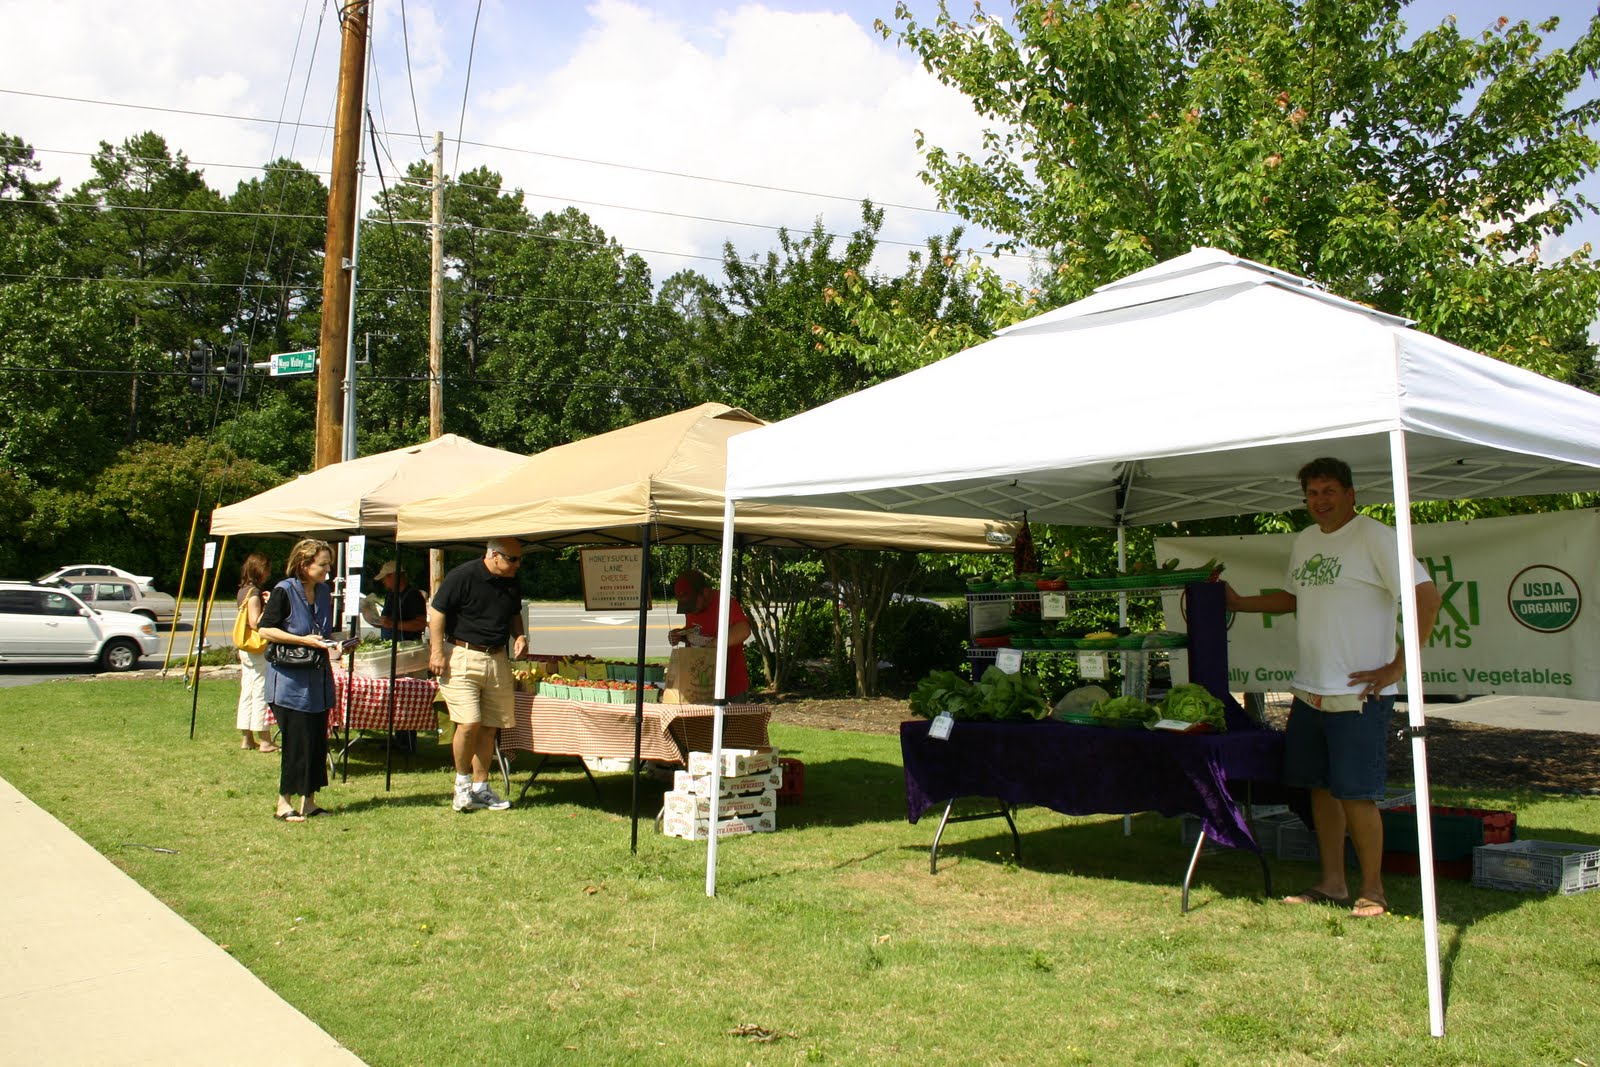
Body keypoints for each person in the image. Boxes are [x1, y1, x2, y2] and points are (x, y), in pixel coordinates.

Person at [1226, 457, 1441, 919]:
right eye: (1312, 493)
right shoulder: (1305, 540)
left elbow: (1427, 596)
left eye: (1328, 491)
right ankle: (1333, 883)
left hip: (1360, 696)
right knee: (1320, 790)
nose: (1320, 501)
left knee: (1355, 794)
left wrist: (1397, 666)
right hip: (1310, 691)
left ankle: (1374, 891)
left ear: (1350, 494)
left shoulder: (1376, 538)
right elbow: (1294, 598)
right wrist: (1240, 603)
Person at [428, 538, 527, 812]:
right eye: (512, 559)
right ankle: (461, 784)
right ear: (494, 555)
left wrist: (519, 635)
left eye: (520, 559)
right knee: (469, 723)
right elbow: (437, 612)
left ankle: (481, 788)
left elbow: (514, 613)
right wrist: (436, 652)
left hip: (497, 658)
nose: (517, 565)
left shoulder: (511, 581)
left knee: (489, 727)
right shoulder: (463, 575)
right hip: (461, 656)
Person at [258, 537, 344, 822]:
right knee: (296, 743)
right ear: (304, 564)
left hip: (317, 683)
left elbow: (324, 632)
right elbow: (265, 630)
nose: (327, 570)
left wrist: (336, 645)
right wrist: (302, 640)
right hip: (288, 684)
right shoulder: (284, 591)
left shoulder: (322, 592)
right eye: (323, 565)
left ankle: (309, 801)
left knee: (316, 743)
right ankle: (284, 803)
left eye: (328, 564)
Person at [667, 569, 753, 700]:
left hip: (729, 685)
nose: (691, 610)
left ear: (705, 592)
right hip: (699, 684)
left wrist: (716, 642)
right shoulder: (693, 608)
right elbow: (696, 630)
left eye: (692, 604)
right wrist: (681, 635)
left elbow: (744, 630)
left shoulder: (725, 603)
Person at [235, 552, 278, 753]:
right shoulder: (254, 593)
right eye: (267, 569)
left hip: (245, 649)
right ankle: (265, 740)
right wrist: (269, 606)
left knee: (247, 691)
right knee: (261, 691)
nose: (268, 573)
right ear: (260, 570)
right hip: (257, 648)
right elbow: (255, 623)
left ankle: (247, 738)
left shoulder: (242, 591)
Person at [373, 560, 427, 641]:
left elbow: (421, 624)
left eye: (385, 577)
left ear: (394, 575)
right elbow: (386, 623)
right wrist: (373, 620)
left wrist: (392, 624)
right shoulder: (390, 595)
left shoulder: (413, 595)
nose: (383, 581)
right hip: (388, 645)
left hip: (407, 647)